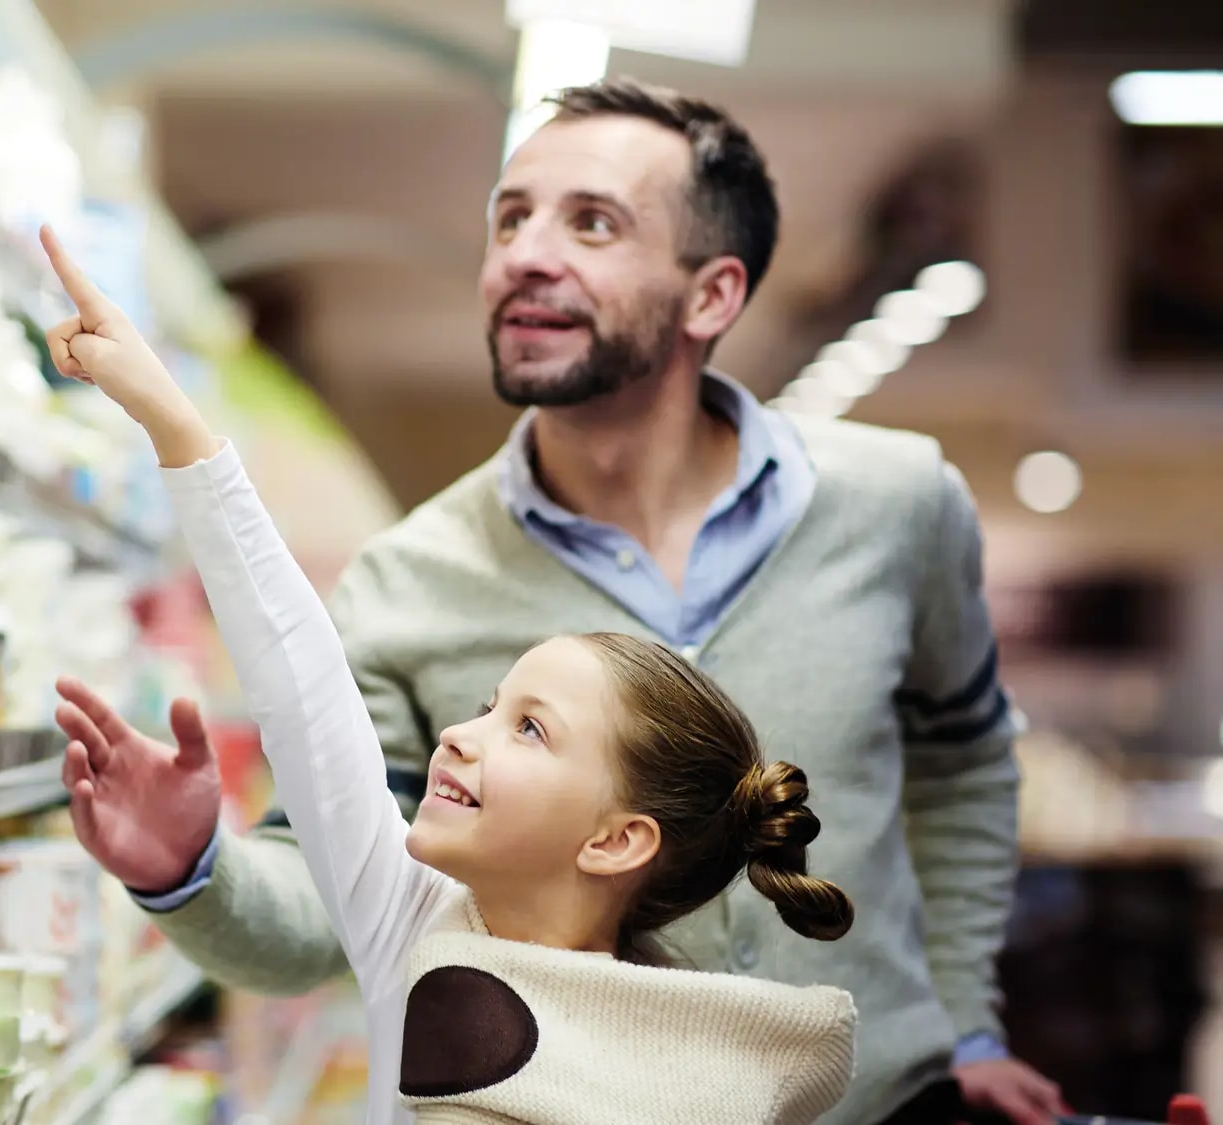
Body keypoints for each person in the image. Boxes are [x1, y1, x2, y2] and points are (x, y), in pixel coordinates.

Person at [51, 78, 1068, 1125]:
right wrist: (191, 869)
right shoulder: (412, 663)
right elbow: (298, 697)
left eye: (589, 220)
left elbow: (964, 772)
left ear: (712, 294)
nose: (523, 252)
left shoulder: (902, 507)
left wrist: (968, 1028)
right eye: (507, 216)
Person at [40, 222, 859, 1125]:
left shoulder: (686, 1079)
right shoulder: (414, 922)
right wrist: (172, 419)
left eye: (531, 728)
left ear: (616, 840)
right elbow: (303, 684)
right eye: (489, 706)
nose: (460, 735)